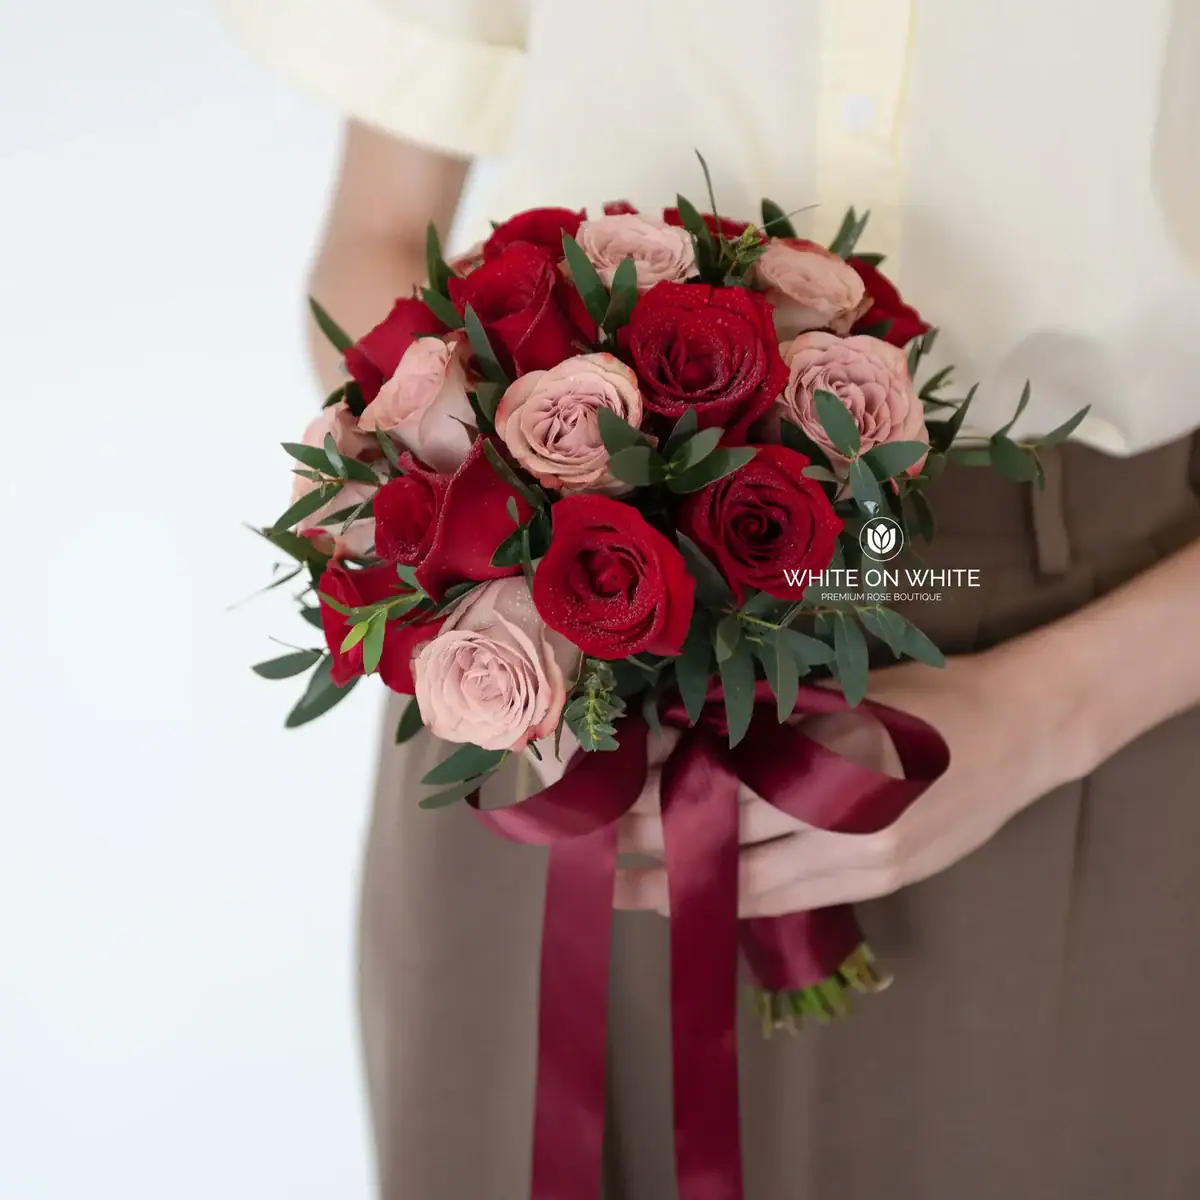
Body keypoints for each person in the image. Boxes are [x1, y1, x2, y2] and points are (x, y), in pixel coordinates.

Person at [219, 1, 1200, 1196]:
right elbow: (376, 240)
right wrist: (547, 558)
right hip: (560, 687)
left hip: (1112, 669)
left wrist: (1053, 710)